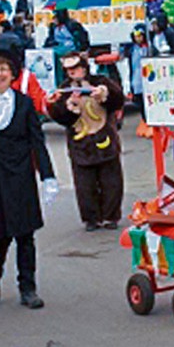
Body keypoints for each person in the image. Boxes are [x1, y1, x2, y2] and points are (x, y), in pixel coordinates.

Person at [0, 50, 58, 309]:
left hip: (20, 176)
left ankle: (28, 288)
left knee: (25, 235)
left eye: (5, 69)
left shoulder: (25, 103)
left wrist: (48, 176)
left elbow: (37, 141)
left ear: (13, 74)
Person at [46, 52, 125, 232]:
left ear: (84, 67)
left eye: (76, 68)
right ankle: (91, 218)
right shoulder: (64, 89)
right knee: (84, 185)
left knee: (111, 181)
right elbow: (59, 116)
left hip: (104, 138)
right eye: (69, 70)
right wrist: (68, 108)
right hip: (80, 144)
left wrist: (105, 95)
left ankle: (111, 215)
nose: (73, 72)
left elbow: (118, 99)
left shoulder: (100, 81)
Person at [44, 8, 90, 84]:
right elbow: (50, 39)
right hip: (59, 47)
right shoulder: (53, 27)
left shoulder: (72, 25)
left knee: (59, 55)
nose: (53, 19)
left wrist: (83, 50)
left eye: (55, 16)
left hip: (72, 48)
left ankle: (62, 78)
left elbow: (82, 38)